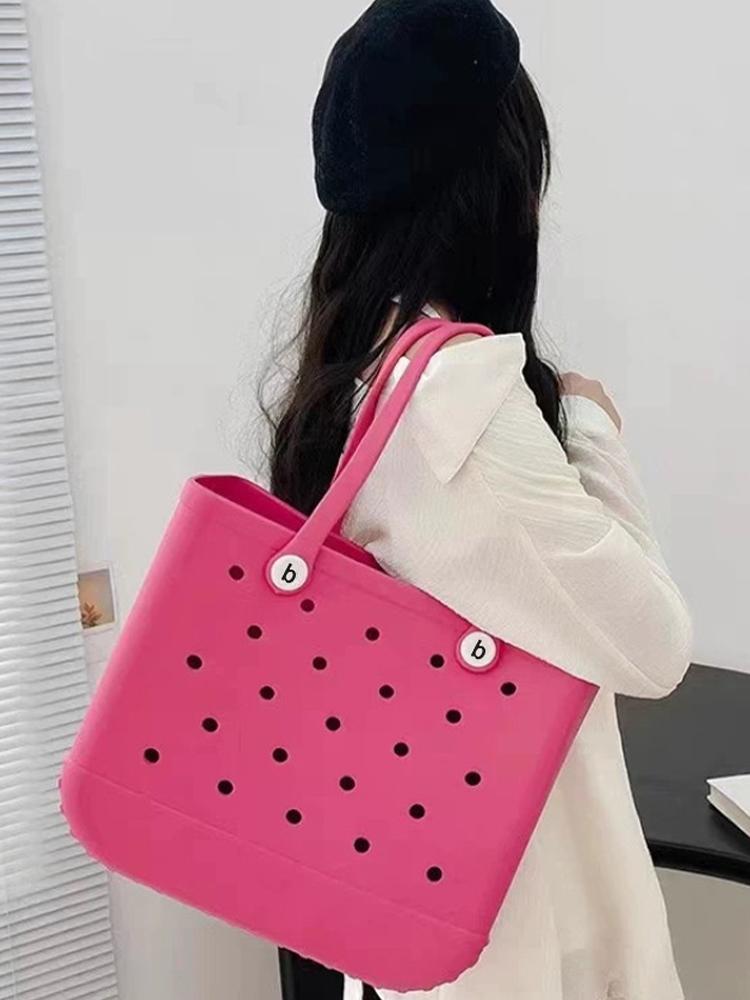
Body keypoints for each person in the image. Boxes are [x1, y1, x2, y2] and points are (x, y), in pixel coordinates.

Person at [263, 2, 694, 998]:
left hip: (427, 907)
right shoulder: (453, 399)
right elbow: (654, 643)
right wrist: (591, 428)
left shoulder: (357, 368)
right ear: (495, 185)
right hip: (522, 940)